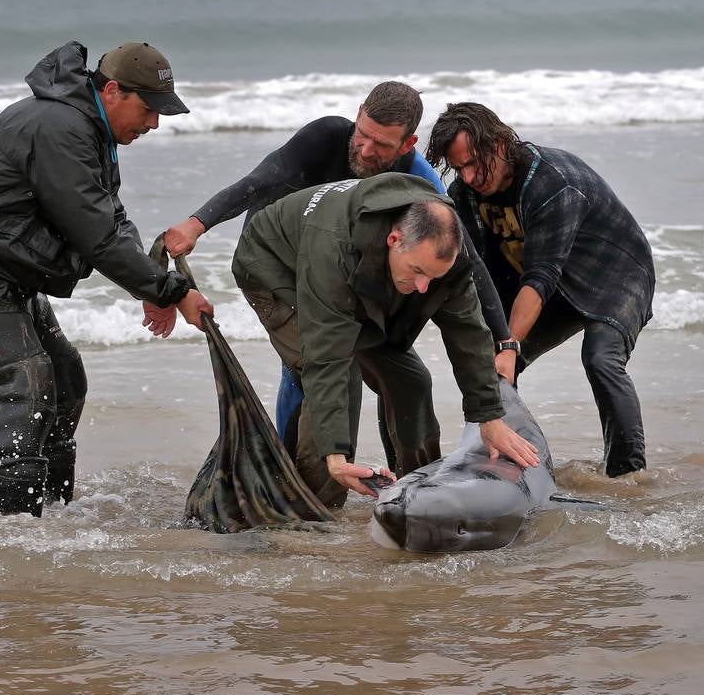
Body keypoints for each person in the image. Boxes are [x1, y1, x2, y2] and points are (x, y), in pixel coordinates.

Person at [0, 40, 213, 516]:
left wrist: (152, 283)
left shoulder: (90, 128)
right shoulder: (61, 128)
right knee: (27, 385)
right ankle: (17, 527)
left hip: (4, 262)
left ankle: (55, 510)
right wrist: (174, 291)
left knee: (65, 377)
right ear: (113, 91)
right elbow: (96, 236)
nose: (154, 123)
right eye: (149, 109)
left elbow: (111, 217)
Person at [159, 81, 511, 458]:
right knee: (322, 365)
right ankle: (300, 472)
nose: (366, 149)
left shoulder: (417, 176)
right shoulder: (326, 137)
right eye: (363, 134)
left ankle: (412, 478)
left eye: (382, 145)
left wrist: (504, 343)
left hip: (346, 269)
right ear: (358, 114)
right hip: (279, 262)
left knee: (404, 375)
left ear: (406, 145)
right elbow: (258, 181)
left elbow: (462, 259)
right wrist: (198, 223)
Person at [231, 172, 539, 506]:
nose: (423, 288)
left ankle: (420, 492)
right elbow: (326, 355)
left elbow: (469, 334)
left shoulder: (443, 253)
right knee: (343, 375)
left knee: (412, 380)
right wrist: (335, 455)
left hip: (355, 272)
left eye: (433, 277)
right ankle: (316, 505)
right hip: (274, 267)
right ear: (394, 239)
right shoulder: (334, 248)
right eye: (417, 271)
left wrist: (489, 418)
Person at [425, 102, 655, 477]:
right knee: (493, 365)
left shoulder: (552, 182)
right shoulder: (465, 195)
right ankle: (505, 459)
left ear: (501, 143)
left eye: (474, 163)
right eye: (458, 167)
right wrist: (497, 347)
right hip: (548, 286)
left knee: (601, 359)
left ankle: (627, 475)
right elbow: (477, 275)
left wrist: (510, 345)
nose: (468, 177)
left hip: (615, 275)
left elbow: (541, 275)